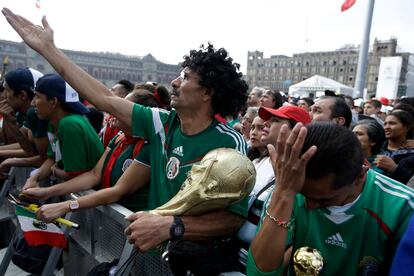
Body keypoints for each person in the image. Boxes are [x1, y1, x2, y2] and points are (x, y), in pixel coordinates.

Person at [2, 9, 249, 274]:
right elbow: (103, 98)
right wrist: (48, 50)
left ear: (208, 93)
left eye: (186, 77)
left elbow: (232, 219)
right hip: (158, 256)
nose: (175, 82)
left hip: (201, 265)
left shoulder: (228, 143)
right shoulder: (163, 124)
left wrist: (173, 226)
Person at [247, 123, 414, 275]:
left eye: (322, 200)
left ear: (360, 175)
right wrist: (283, 194)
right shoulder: (288, 189)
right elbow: (260, 271)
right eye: (304, 195)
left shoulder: (403, 207)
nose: (309, 206)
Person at [22, 87, 169, 221]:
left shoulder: (149, 147)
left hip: (131, 227)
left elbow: (117, 191)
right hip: (111, 222)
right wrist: (47, 192)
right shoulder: (119, 137)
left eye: (121, 108)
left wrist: (66, 206)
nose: (113, 111)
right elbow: (94, 175)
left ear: (138, 116)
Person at [237, 105, 311, 269]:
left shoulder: (303, 174)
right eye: (267, 120)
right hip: (233, 255)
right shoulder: (256, 162)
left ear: (297, 131)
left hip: (266, 266)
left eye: (275, 121)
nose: (265, 124)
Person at [23, 74, 104, 189]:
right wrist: (33, 179)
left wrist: (54, 171)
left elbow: (74, 176)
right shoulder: (54, 123)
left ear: (53, 102)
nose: (32, 102)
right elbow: (51, 160)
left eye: (37, 97)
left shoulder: (69, 125)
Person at [0, 67, 49, 176]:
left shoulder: (35, 114)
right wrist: (11, 122)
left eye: (7, 90)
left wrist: (9, 160)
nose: (3, 96)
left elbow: (44, 159)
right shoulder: (24, 113)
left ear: (22, 95)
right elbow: (28, 148)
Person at [375, 110, 414, 184]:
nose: (387, 127)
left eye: (392, 123)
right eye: (385, 124)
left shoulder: (411, 154)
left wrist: (394, 168)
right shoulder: (376, 148)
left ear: (407, 127)